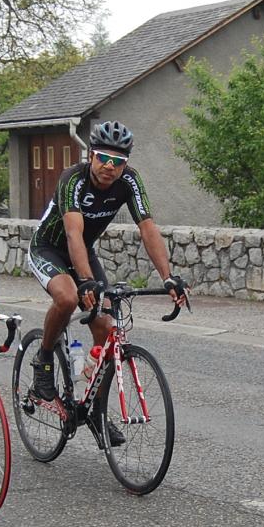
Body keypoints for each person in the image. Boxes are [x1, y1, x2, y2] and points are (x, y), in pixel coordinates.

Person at [25, 121, 188, 418]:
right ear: (91, 155)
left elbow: (148, 228)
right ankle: (44, 360)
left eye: (118, 162)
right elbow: (73, 233)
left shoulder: (130, 182)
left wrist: (168, 277)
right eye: (103, 158)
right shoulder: (72, 179)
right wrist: (86, 281)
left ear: (125, 164)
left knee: (106, 326)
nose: (109, 167)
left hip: (83, 252)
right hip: (48, 249)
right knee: (68, 298)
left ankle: (95, 411)